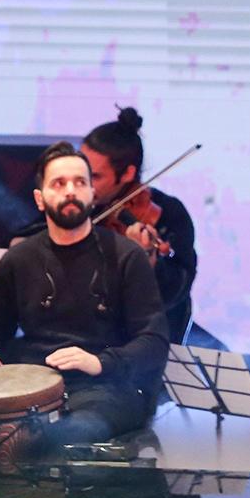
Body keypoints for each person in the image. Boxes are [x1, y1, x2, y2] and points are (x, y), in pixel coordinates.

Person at [0, 142, 169, 462]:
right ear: (40, 198)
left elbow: (154, 340)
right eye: (59, 183)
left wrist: (100, 362)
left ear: (92, 193)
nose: (70, 191)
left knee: (57, 439)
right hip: (31, 387)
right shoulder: (20, 258)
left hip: (104, 388)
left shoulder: (126, 256)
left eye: (80, 182)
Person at [81, 107, 199, 346]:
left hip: (138, 341)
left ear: (127, 173)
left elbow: (175, 290)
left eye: (95, 176)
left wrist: (148, 261)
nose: (84, 184)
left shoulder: (169, 213)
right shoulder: (76, 206)